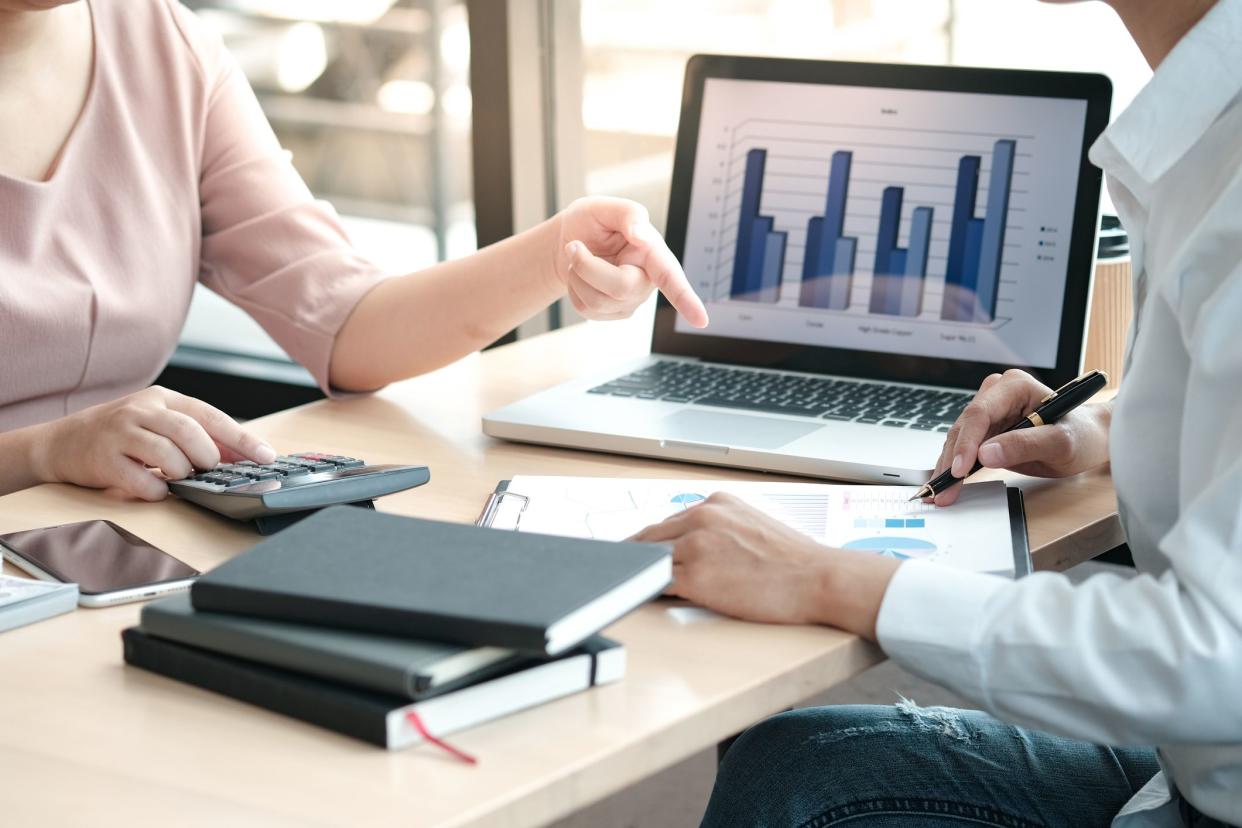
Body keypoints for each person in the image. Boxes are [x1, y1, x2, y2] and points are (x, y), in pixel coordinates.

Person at [632, 0, 1242, 825]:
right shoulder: (1211, 123)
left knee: (782, 785)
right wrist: (1095, 431)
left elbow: (1218, 659)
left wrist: (824, 576)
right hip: (1196, 766)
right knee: (787, 762)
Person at [0, 0, 707, 501]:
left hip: (100, 540)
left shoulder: (161, 42)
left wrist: (556, 252)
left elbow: (348, 323)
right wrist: (43, 450)